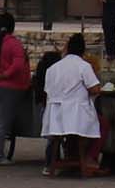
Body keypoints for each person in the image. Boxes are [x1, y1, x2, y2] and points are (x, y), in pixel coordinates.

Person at [41, 33, 104, 177]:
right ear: (83, 50)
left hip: (55, 118)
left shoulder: (53, 68)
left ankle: (71, 157)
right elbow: (94, 89)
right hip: (77, 118)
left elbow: (47, 91)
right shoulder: (84, 66)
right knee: (104, 124)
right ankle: (88, 159)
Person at [0, 11, 32, 165]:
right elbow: (18, 65)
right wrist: (5, 75)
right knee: (2, 122)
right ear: (12, 27)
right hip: (9, 87)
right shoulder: (14, 44)